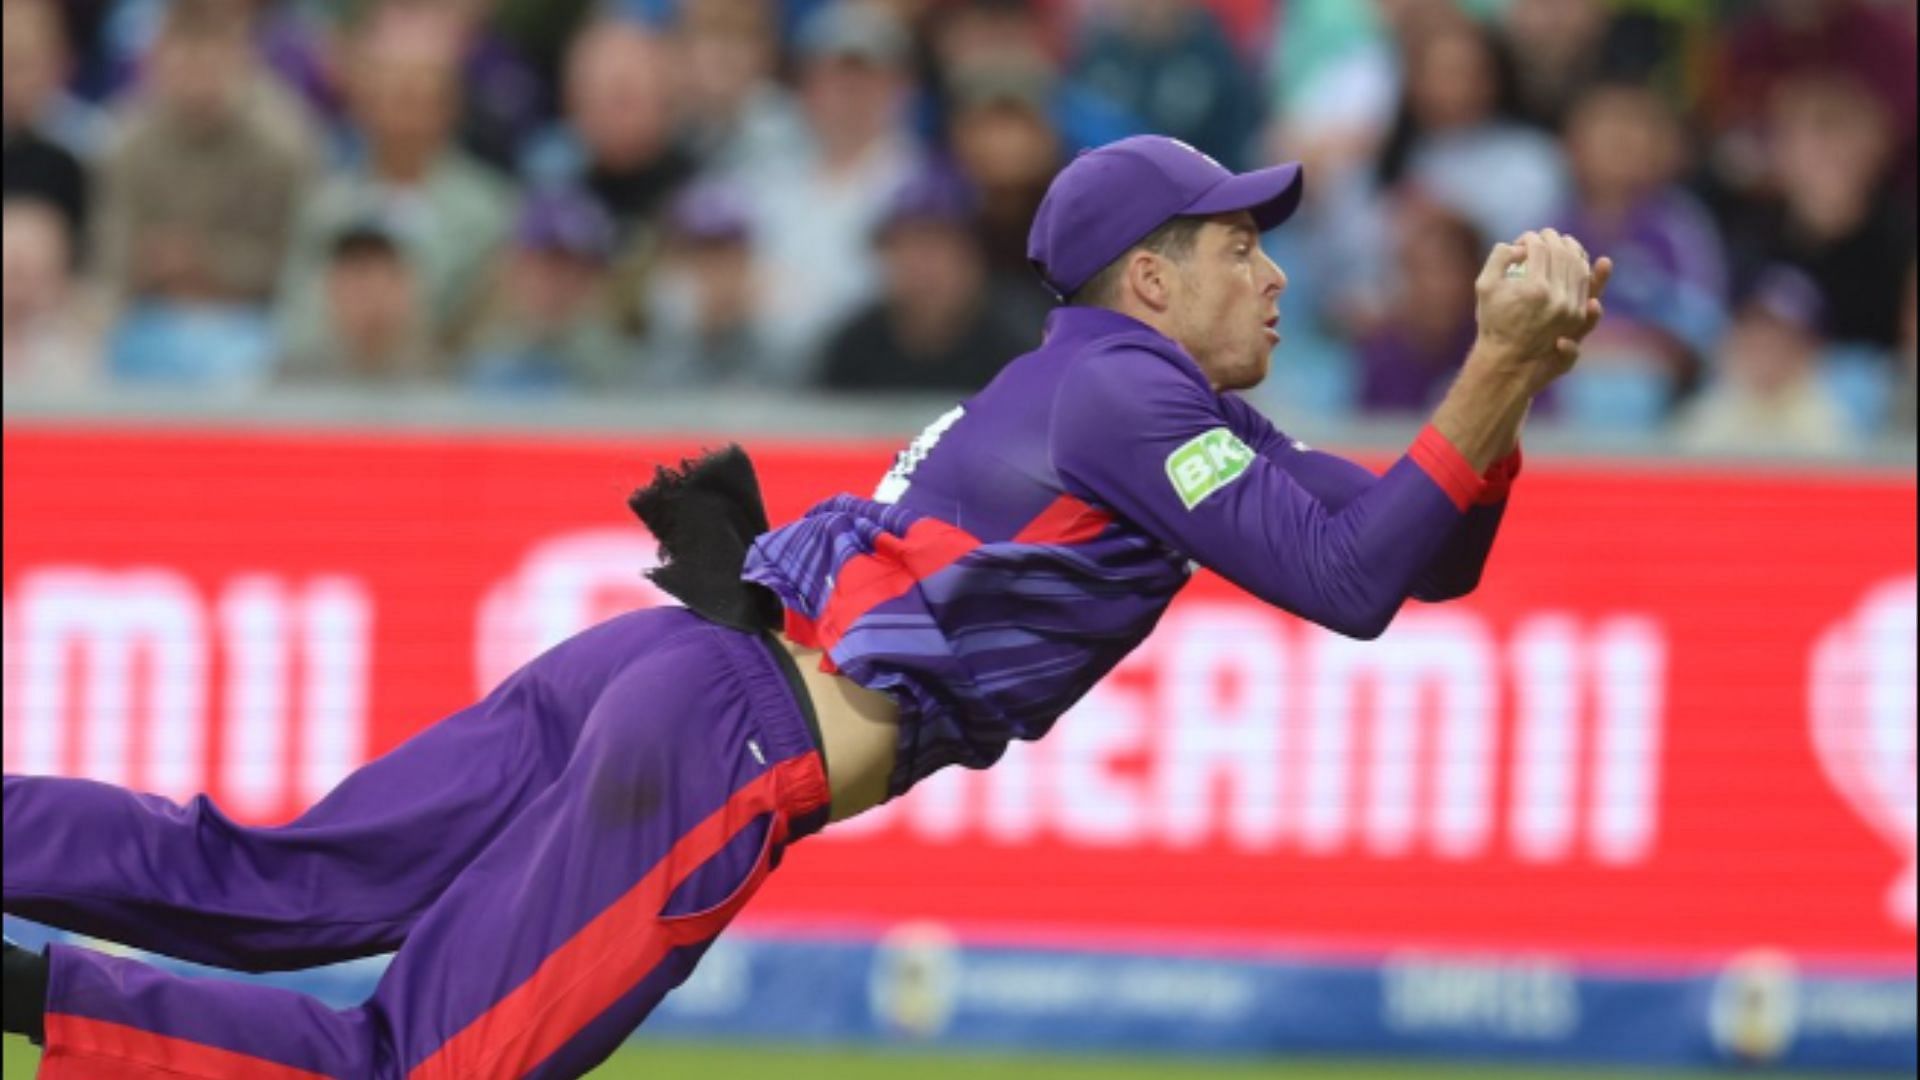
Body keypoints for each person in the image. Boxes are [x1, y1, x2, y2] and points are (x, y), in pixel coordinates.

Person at [2, 135, 1608, 1078]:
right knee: (417, 1067)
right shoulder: (1134, 404)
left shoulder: (1135, 403)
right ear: (1146, 279)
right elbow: (1350, 585)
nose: (1273, 277)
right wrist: (1494, 364)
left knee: (271, 882)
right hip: (720, 738)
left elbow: (1415, 546)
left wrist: (1506, 394)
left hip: (668, 664)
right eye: (1240, 244)